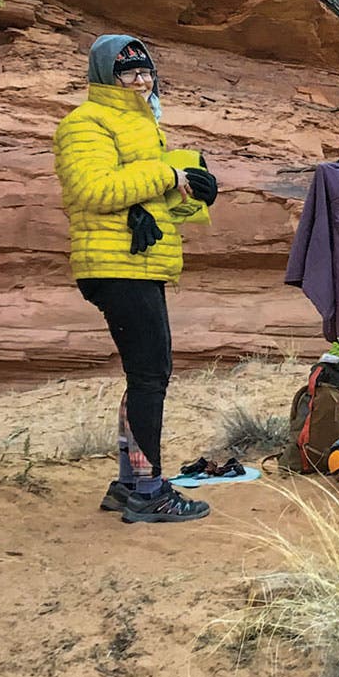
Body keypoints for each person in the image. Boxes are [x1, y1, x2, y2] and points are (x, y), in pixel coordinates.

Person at [53, 34, 219, 525]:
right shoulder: (85, 123)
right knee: (151, 375)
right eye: (130, 73)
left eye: (146, 72)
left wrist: (194, 188)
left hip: (136, 261)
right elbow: (93, 188)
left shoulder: (143, 125)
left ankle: (129, 484)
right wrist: (168, 175)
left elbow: (142, 195)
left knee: (145, 374)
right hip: (115, 264)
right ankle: (149, 492)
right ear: (106, 77)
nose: (142, 80)